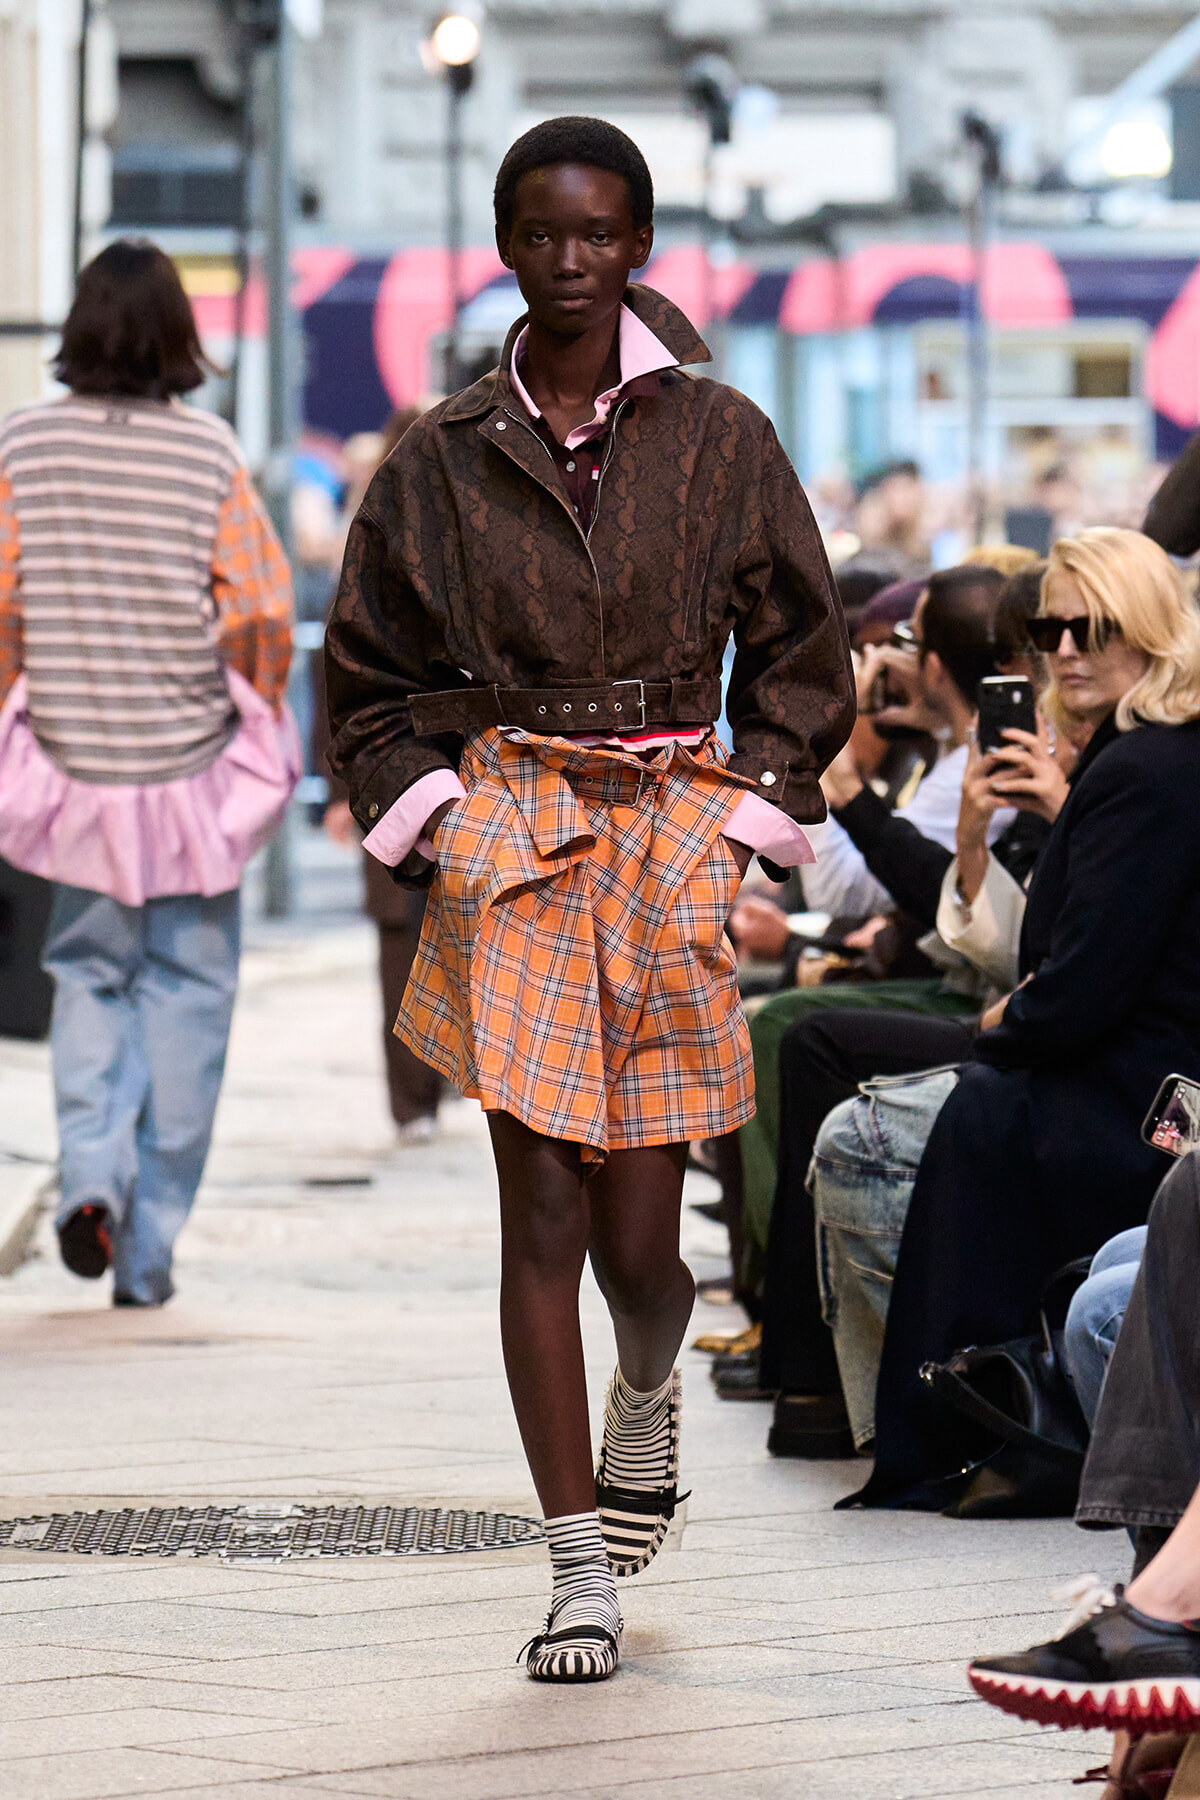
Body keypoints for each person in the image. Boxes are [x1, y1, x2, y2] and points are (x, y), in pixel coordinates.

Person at [324, 116, 854, 1683]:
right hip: (516, 832)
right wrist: (442, 824)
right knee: (541, 1209)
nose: (571, 261)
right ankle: (575, 1571)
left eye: (601, 233)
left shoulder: (719, 434)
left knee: (641, 1245)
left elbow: (805, 639)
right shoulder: (440, 453)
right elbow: (365, 670)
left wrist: (746, 814)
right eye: (544, 233)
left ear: (639, 245)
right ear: (505, 243)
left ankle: (646, 1385)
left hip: (668, 828)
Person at [810, 527, 1200, 1500]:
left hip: (1136, 1101)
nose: (1064, 650)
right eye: (1048, 630)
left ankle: (963, 1413)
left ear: (1149, 630)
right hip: (1120, 1073)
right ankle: (911, 1408)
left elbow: (1083, 985)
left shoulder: (1145, 770)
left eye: (1091, 628)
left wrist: (1001, 1031)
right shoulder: (1135, 757)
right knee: (847, 1073)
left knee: (873, 1131)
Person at [0, 239, 297, 1306]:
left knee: (88, 978)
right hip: (188, 776)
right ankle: (148, 1248)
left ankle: (91, 1177)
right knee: (188, 1000)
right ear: (180, 333)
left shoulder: (21, 445)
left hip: (74, 770)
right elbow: (261, 614)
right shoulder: (206, 455)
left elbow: (3, 605)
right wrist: (239, 695)